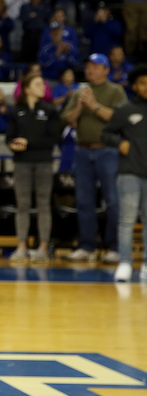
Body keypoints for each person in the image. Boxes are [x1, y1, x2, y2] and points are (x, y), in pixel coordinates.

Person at [62, 54, 126, 263]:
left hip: (107, 151)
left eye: (95, 67)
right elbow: (67, 119)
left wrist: (94, 105)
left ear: (106, 70)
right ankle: (87, 246)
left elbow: (120, 119)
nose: (90, 70)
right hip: (82, 151)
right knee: (84, 201)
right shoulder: (80, 91)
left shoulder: (115, 91)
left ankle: (115, 247)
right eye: (88, 66)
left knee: (113, 200)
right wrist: (80, 105)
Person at [7, 72, 60, 262]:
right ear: (27, 88)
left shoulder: (49, 110)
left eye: (43, 84)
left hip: (44, 161)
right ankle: (21, 246)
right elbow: (9, 137)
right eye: (38, 84)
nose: (42, 87)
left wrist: (27, 142)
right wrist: (14, 144)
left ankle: (43, 247)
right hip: (22, 162)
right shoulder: (15, 111)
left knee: (43, 204)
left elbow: (53, 138)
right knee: (22, 205)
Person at [102, 65, 147, 282]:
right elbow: (106, 134)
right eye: (142, 83)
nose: (146, 87)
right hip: (129, 172)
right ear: (134, 86)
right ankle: (125, 263)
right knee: (127, 220)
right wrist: (119, 143)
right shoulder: (125, 110)